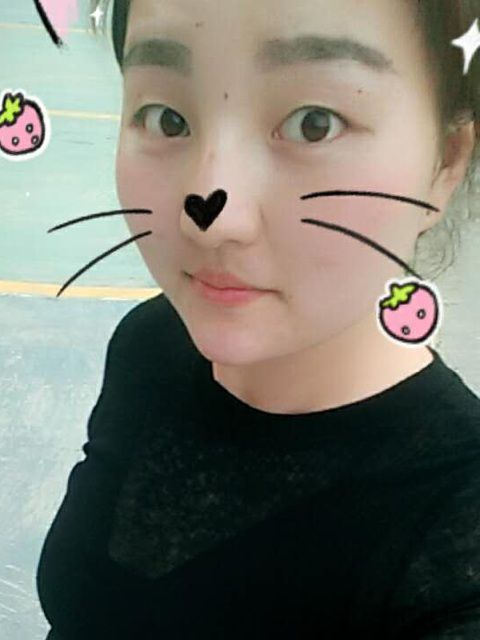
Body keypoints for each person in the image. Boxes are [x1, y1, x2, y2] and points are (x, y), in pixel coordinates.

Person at [37, 1, 480, 637]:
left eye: (314, 124)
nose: (213, 218)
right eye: (167, 118)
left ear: (447, 161)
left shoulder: (457, 532)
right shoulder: (153, 343)